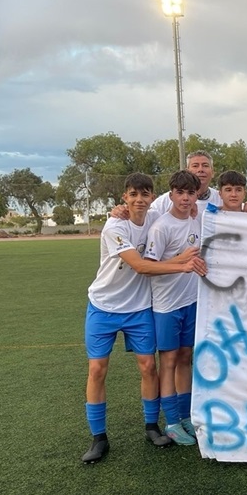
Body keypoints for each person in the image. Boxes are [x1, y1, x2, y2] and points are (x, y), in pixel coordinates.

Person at [81, 172, 206, 464]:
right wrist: (184, 264)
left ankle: (152, 426)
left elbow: (182, 204)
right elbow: (142, 266)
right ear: (124, 197)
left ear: (152, 197)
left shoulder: (153, 217)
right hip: (103, 306)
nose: (139, 200)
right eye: (133, 195)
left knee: (150, 367)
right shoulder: (114, 226)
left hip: (138, 307)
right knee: (97, 369)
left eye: (145, 195)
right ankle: (99, 438)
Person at [144, 170, 204, 446]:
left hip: (190, 301)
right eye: (180, 193)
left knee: (185, 358)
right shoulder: (161, 226)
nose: (185, 198)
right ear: (171, 194)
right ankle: (170, 422)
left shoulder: (197, 219)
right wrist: (181, 261)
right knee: (167, 361)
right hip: (167, 305)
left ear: (196, 196)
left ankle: (185, 416)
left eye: (190, 193)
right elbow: (149, 268)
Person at [151, 150, 222, 215]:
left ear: (213, 172)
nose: (200, 170)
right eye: (195, 166)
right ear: (187, 171)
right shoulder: (166, 201)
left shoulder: (222, 199)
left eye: (205, 166)